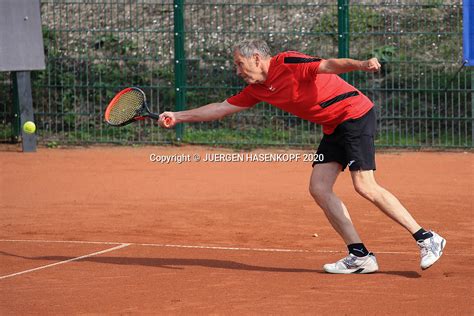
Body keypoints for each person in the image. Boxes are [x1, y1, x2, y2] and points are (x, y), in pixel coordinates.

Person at [158, 39, 446, 274]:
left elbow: (329, 65)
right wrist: (179, 116)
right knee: (319, 188)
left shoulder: (288, 62)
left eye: (239, 63)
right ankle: (359, 255)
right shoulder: (258, 90)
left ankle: (427, 238)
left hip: (355, 114)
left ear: (257, 58)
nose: (237, 70)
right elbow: (221, 108)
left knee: (364, 185)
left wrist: (361, 64)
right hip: (334, 125)